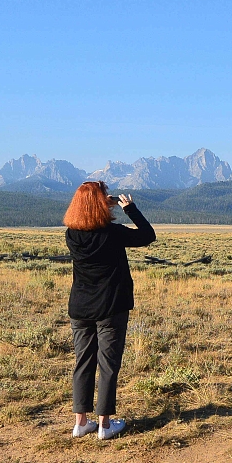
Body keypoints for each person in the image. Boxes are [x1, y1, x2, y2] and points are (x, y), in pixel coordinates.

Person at [63, 181, 155, 440]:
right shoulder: (112, 234)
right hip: (111, 307)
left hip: (80, 308)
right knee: (108, 365)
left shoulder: (72, 234)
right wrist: (130, 208)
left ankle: (81, 422)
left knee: (83, 363)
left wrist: (101, 202)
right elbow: (148, 235)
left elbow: (88, 219)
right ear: (102, 203)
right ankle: (104, 425)